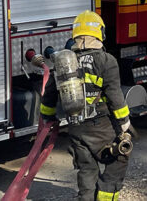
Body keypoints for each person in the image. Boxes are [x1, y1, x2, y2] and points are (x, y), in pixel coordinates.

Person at [40, 11, 131, 201]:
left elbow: (49, 94)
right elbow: (115, 96)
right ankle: (105, 198)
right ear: (100, 33)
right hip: (101, 126)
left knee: (87, 169)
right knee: (119, 158)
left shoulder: (64, 61)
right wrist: (124, 123)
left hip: (76, 126)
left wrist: (48, 118)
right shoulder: (107, 61)